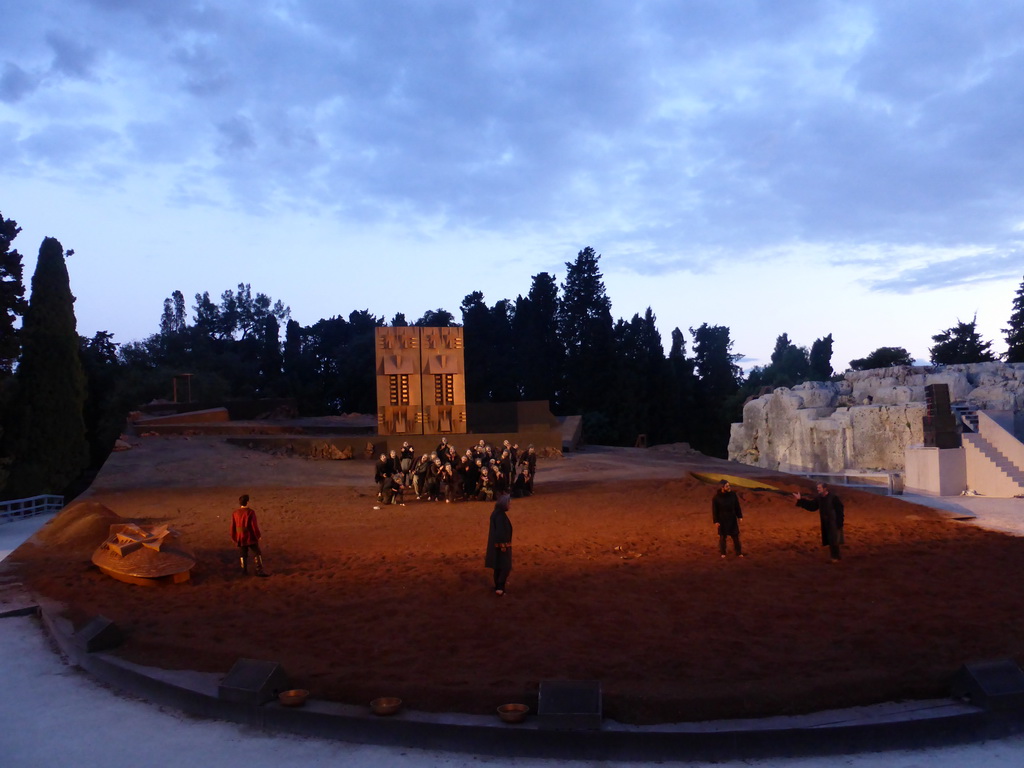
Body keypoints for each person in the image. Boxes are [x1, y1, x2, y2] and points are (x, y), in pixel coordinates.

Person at [793, 482, 845, 562]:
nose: (818, 489)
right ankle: (835, 556)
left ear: (825, 488)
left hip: (833, 521)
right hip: (825, 521)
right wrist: (800, 500)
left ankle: (835, 557)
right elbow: (812, 506)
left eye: (819, 488)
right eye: (817, 488)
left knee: (833, 539)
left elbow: (839, 510)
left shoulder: (833, 498)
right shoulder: (819, 498)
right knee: (831, 539)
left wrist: (840, 522)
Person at [231, 493, 268, 577]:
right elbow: (253, 525)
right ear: (247, 502)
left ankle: (243, 571)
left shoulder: (235, 513)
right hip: (249, 536)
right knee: (257, 552)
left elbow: (233, 526)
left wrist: (234, 536)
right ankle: (259, 571)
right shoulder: (250, 512)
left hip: (240, 536)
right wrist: (258, 535)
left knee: (243, 553)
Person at [485, 494, 513, 595]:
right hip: (502, 546)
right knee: (505, 566)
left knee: (498, 566)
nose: (510, 505)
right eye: (509, 503)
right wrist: (503, 546)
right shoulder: (500, 516)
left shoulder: (496, 513)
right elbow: (501, 532)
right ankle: (500, 587)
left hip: (496, 545)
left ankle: (498, 586)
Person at [711, 480, 744, 558]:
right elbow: (715, 510)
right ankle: (723, 553)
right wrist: (716, 521)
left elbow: (737, 506)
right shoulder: (716, 498)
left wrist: (739, 516)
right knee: (722, 537)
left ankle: (739, 552)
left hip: (732, 518)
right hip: (722, 519)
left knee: (735, 536)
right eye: (727, 486)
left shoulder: (733, 495)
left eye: (729, 486)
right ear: (722, 487)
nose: (729, 487)